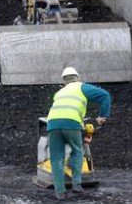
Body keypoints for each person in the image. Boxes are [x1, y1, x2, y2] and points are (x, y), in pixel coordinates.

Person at [46, 66, 111, 200]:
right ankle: (76, 185)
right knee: (77, 151)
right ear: (78, 78)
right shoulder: (81, 86)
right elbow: (105, 95)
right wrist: (103, 116)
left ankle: (60, 192)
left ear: (64, 81)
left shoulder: (59, 93)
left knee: (56, 158)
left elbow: (62, 110)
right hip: (71, 123)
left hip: (52, 124)